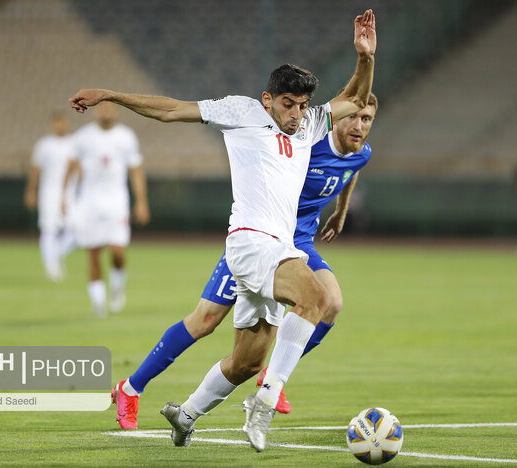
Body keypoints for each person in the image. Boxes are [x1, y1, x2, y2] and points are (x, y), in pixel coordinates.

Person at [69, 9, 375, 452]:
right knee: (319, 299)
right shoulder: (242, 112)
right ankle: (265, 402)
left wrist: (365, 57)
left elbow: (353, 98)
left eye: (302, 105)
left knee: (247, 361)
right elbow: (173, 110)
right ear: (268, 99)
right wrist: (111, 95)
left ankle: (186, 413)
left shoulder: (309, 125)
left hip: (280, 247)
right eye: (287, 104)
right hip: (251, 243)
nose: (295, 114)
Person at [110, 92, 378, 431]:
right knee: (204, 321)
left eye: (366, 119)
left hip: (297, 246)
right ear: (338, 117)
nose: (358, 124)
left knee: (331, 302)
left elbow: (350, 171)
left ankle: (272, 378)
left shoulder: (361, 153)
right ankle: (130, 388)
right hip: (259, 240)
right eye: (353, 116)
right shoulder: (309, 141)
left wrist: (340, 212)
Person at [62, 102, 151, 316]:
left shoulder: (126, 137)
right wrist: (65, 197)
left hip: (116, 202)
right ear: (95, 111)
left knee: (118, 252)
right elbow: (71, 167)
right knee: (93, 252)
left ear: (116, 111)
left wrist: (141, 201)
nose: (106, 112)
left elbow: (136, 170)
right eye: (102, 108)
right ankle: (99, 303)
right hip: (89, 202)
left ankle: (117, 288)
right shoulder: (83, 137)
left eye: (110, 108)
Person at [24, 112, 77, 282]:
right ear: (52, 124)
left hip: (71, 191)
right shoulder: (44, 145)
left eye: (63, 122)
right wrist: (31, 191)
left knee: (76, 229)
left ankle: (54, 257)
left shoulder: (74, 143)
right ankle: (51, 266)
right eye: (57, 123)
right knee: (49, 228)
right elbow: (35, 170)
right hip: (49, 191)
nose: (60, 126)